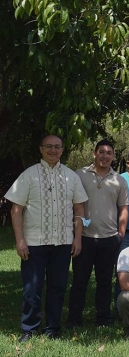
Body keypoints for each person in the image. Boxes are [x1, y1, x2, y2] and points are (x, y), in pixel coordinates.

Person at [4, 135, 88, 342]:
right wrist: (20, 240)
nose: (53, 150)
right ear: (41, 149)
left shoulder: (71, 176)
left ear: (62, 150)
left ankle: (52, 328)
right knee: (32, 288)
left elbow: (79, 208)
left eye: (57, 147)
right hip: (33, 243)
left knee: (58, 286)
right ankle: (29, 328)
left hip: (62, 242)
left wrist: (77, 238)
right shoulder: (29, 175)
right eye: (48, 146)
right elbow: (16, 209)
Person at [68, 140, 129, 327]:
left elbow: (123, 208)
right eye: (101, 152)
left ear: (113, 156)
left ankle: (103, 319)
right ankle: (74, 320)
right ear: (94, 154)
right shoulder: (80, 175)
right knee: (79, 281)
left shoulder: (119, 180)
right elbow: (71, 204)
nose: (105, 156)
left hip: (109, 239)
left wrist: (120, 234)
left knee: (104, 282)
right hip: (84, 238)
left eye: (109, 152)